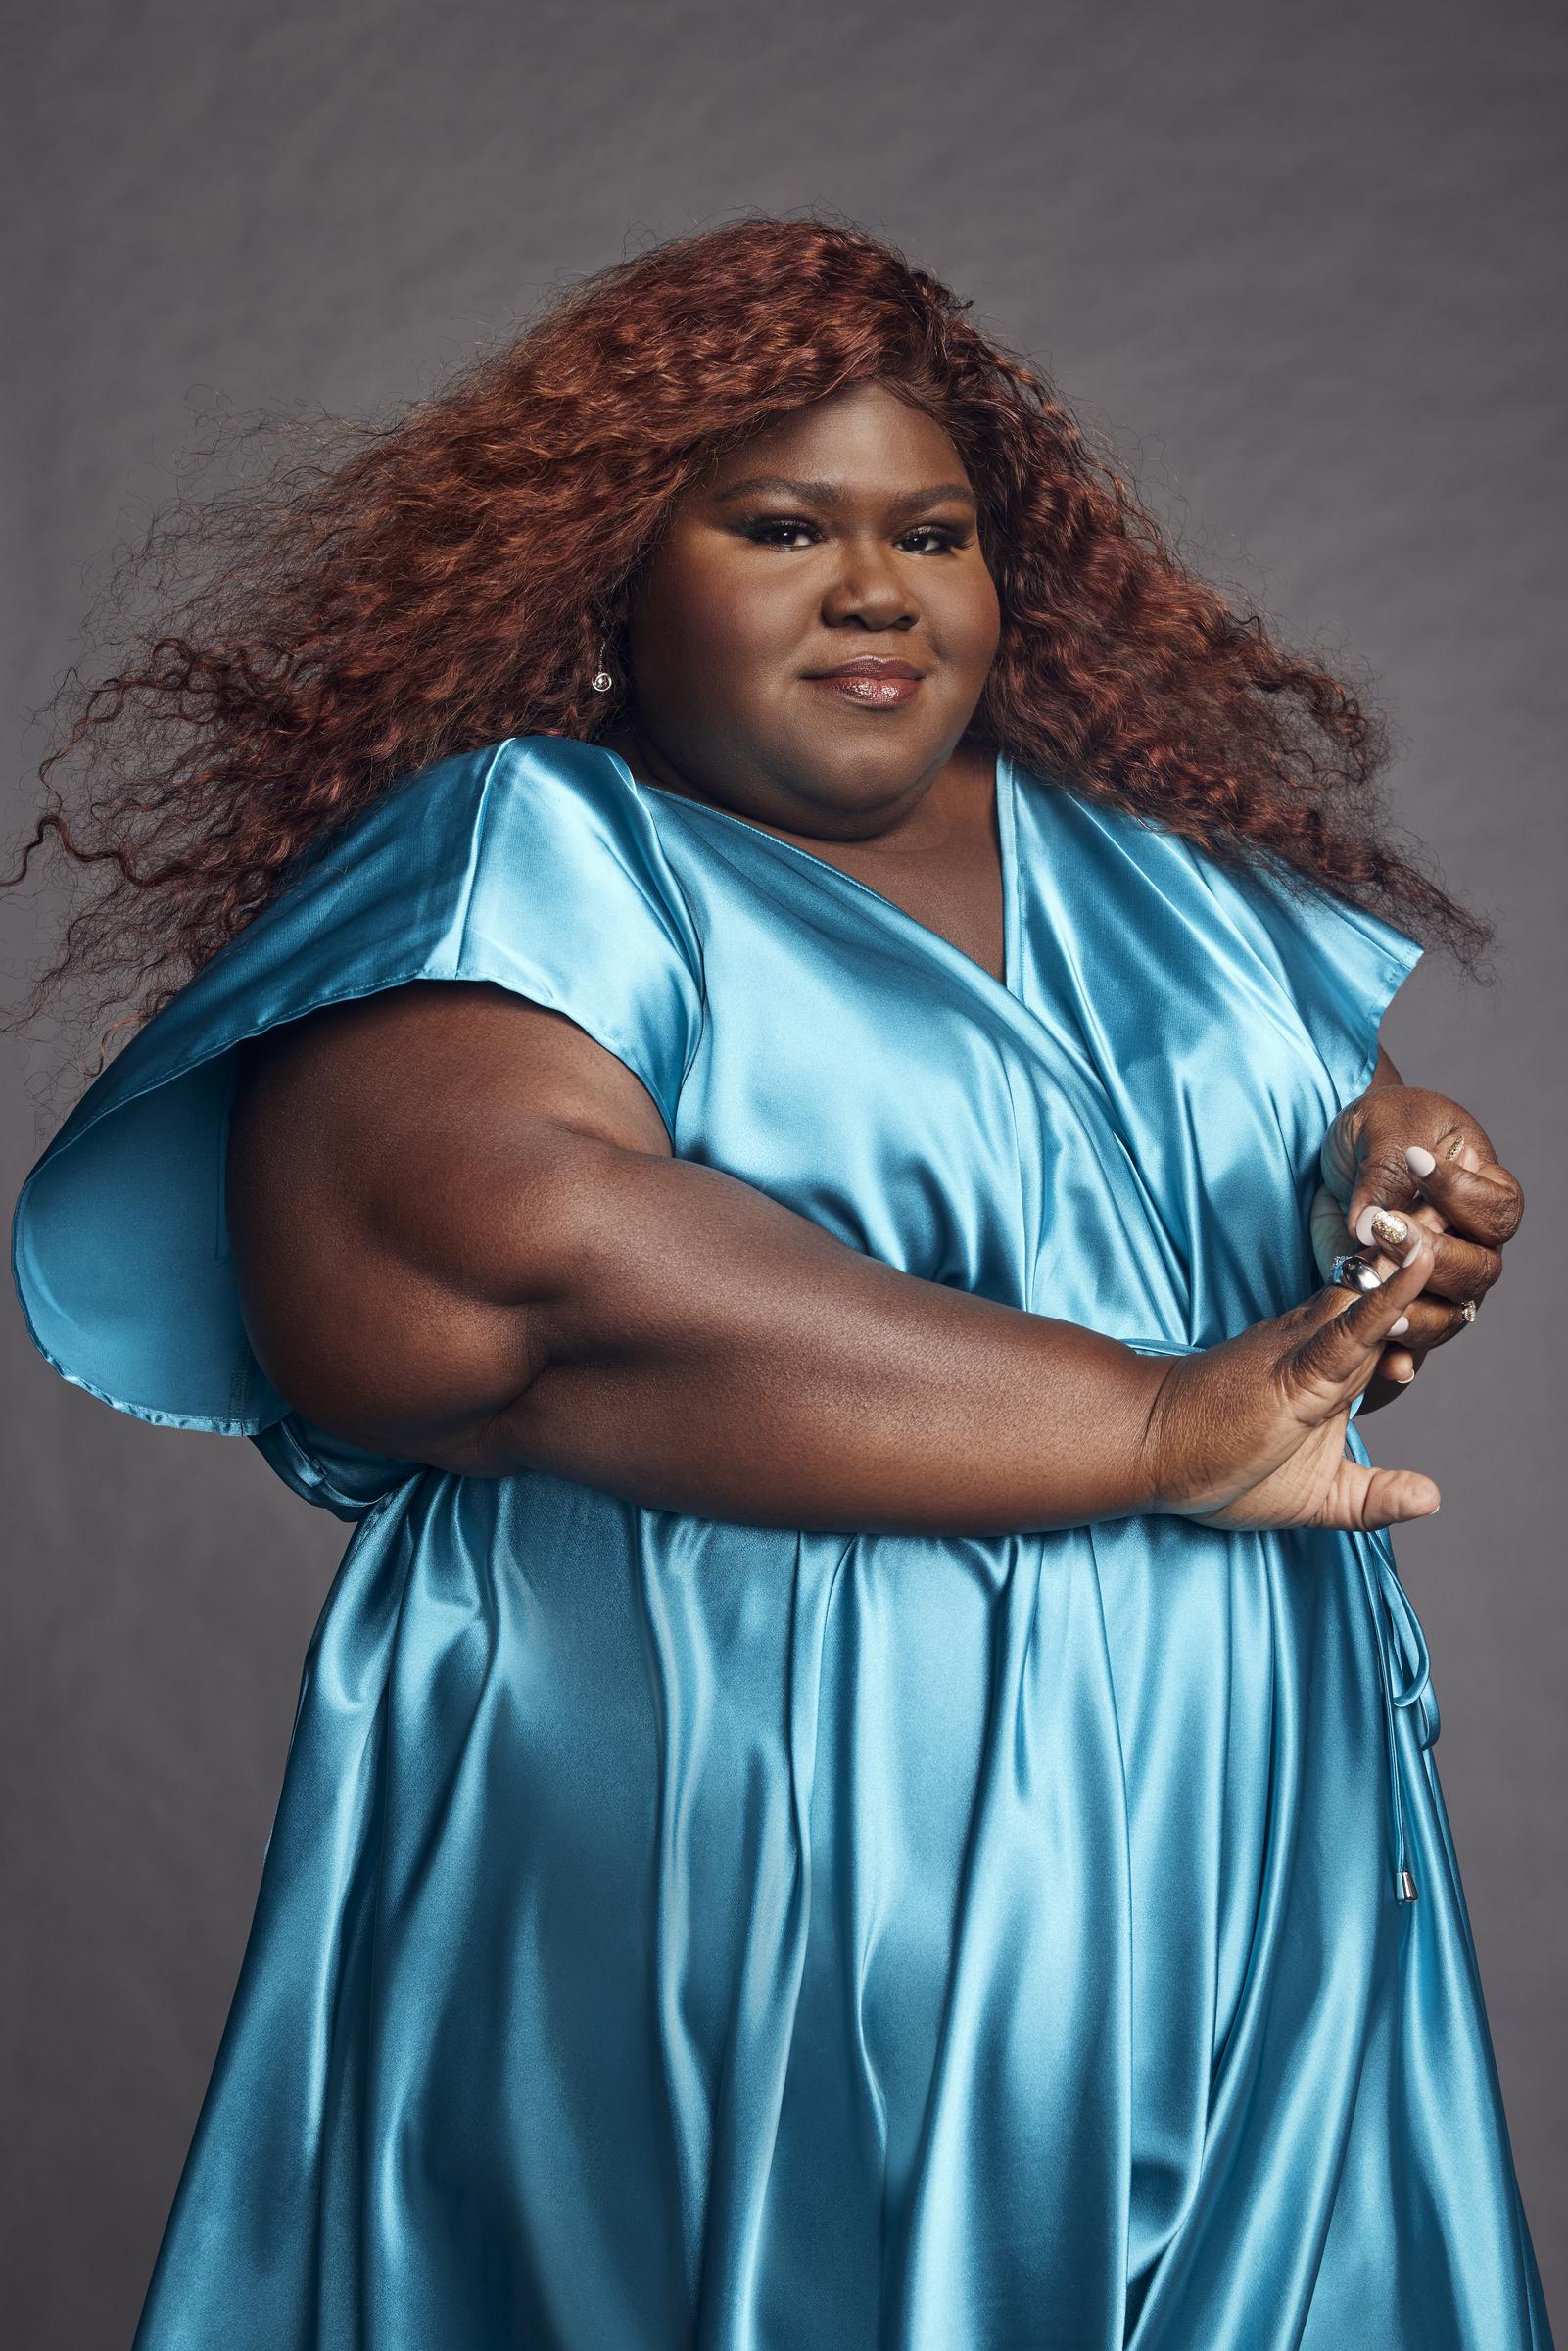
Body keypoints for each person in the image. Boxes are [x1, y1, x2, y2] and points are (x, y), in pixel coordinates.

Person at [6, 217, 1552, 2349]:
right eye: (781, 525)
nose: (876, 589)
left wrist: (1387, 1197)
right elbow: (503, 1270)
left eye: (934, 531)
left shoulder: (1170, 885)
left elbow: (1284, 1189)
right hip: (755, 1856)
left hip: (1249, 1844)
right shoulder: (539, 858)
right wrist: (1147, 1424)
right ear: (616, 572)